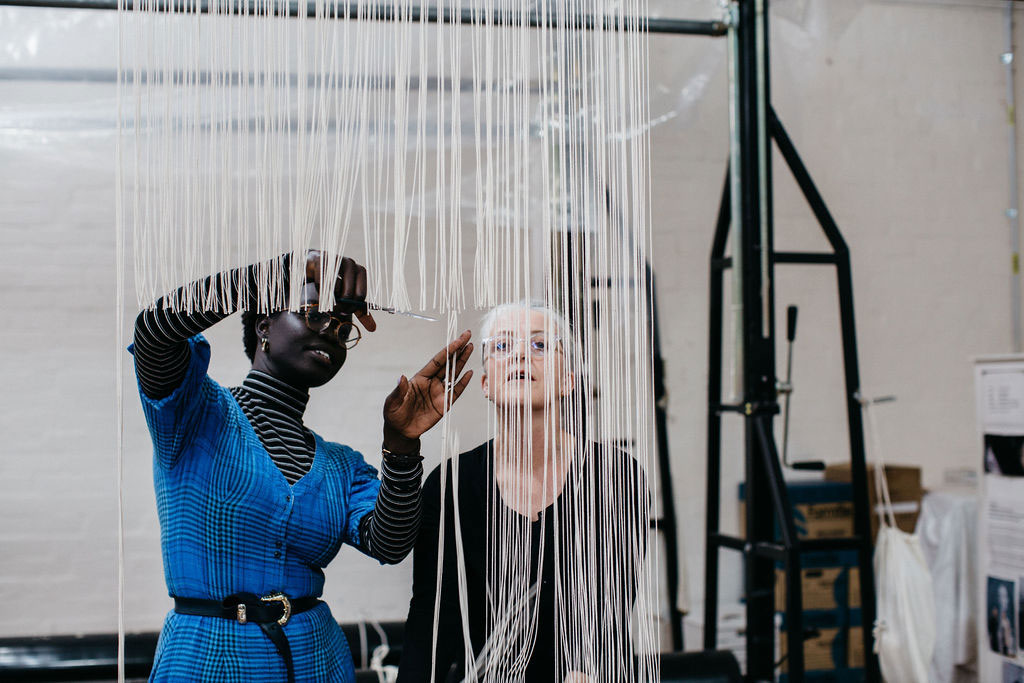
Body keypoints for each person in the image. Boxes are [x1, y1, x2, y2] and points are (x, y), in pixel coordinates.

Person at [130, 252, 474, 682]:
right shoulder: (195, 413)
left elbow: (389, 544)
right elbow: (154, 334)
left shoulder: (341, 466)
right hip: (206, 657)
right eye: (313, 315)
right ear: (264, 327)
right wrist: (282, 272)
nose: (331, 330)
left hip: (316, 660)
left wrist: (402, 445)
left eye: (342, 327)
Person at [398, 303, 650, 683]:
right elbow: (431, 617)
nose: (518, 354)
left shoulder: (616, 474)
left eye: (539, 345)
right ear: (485, 384)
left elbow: (613, 601)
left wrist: (584, 670)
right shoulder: (453, 482)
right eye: (501, 347)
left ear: (568, 380)